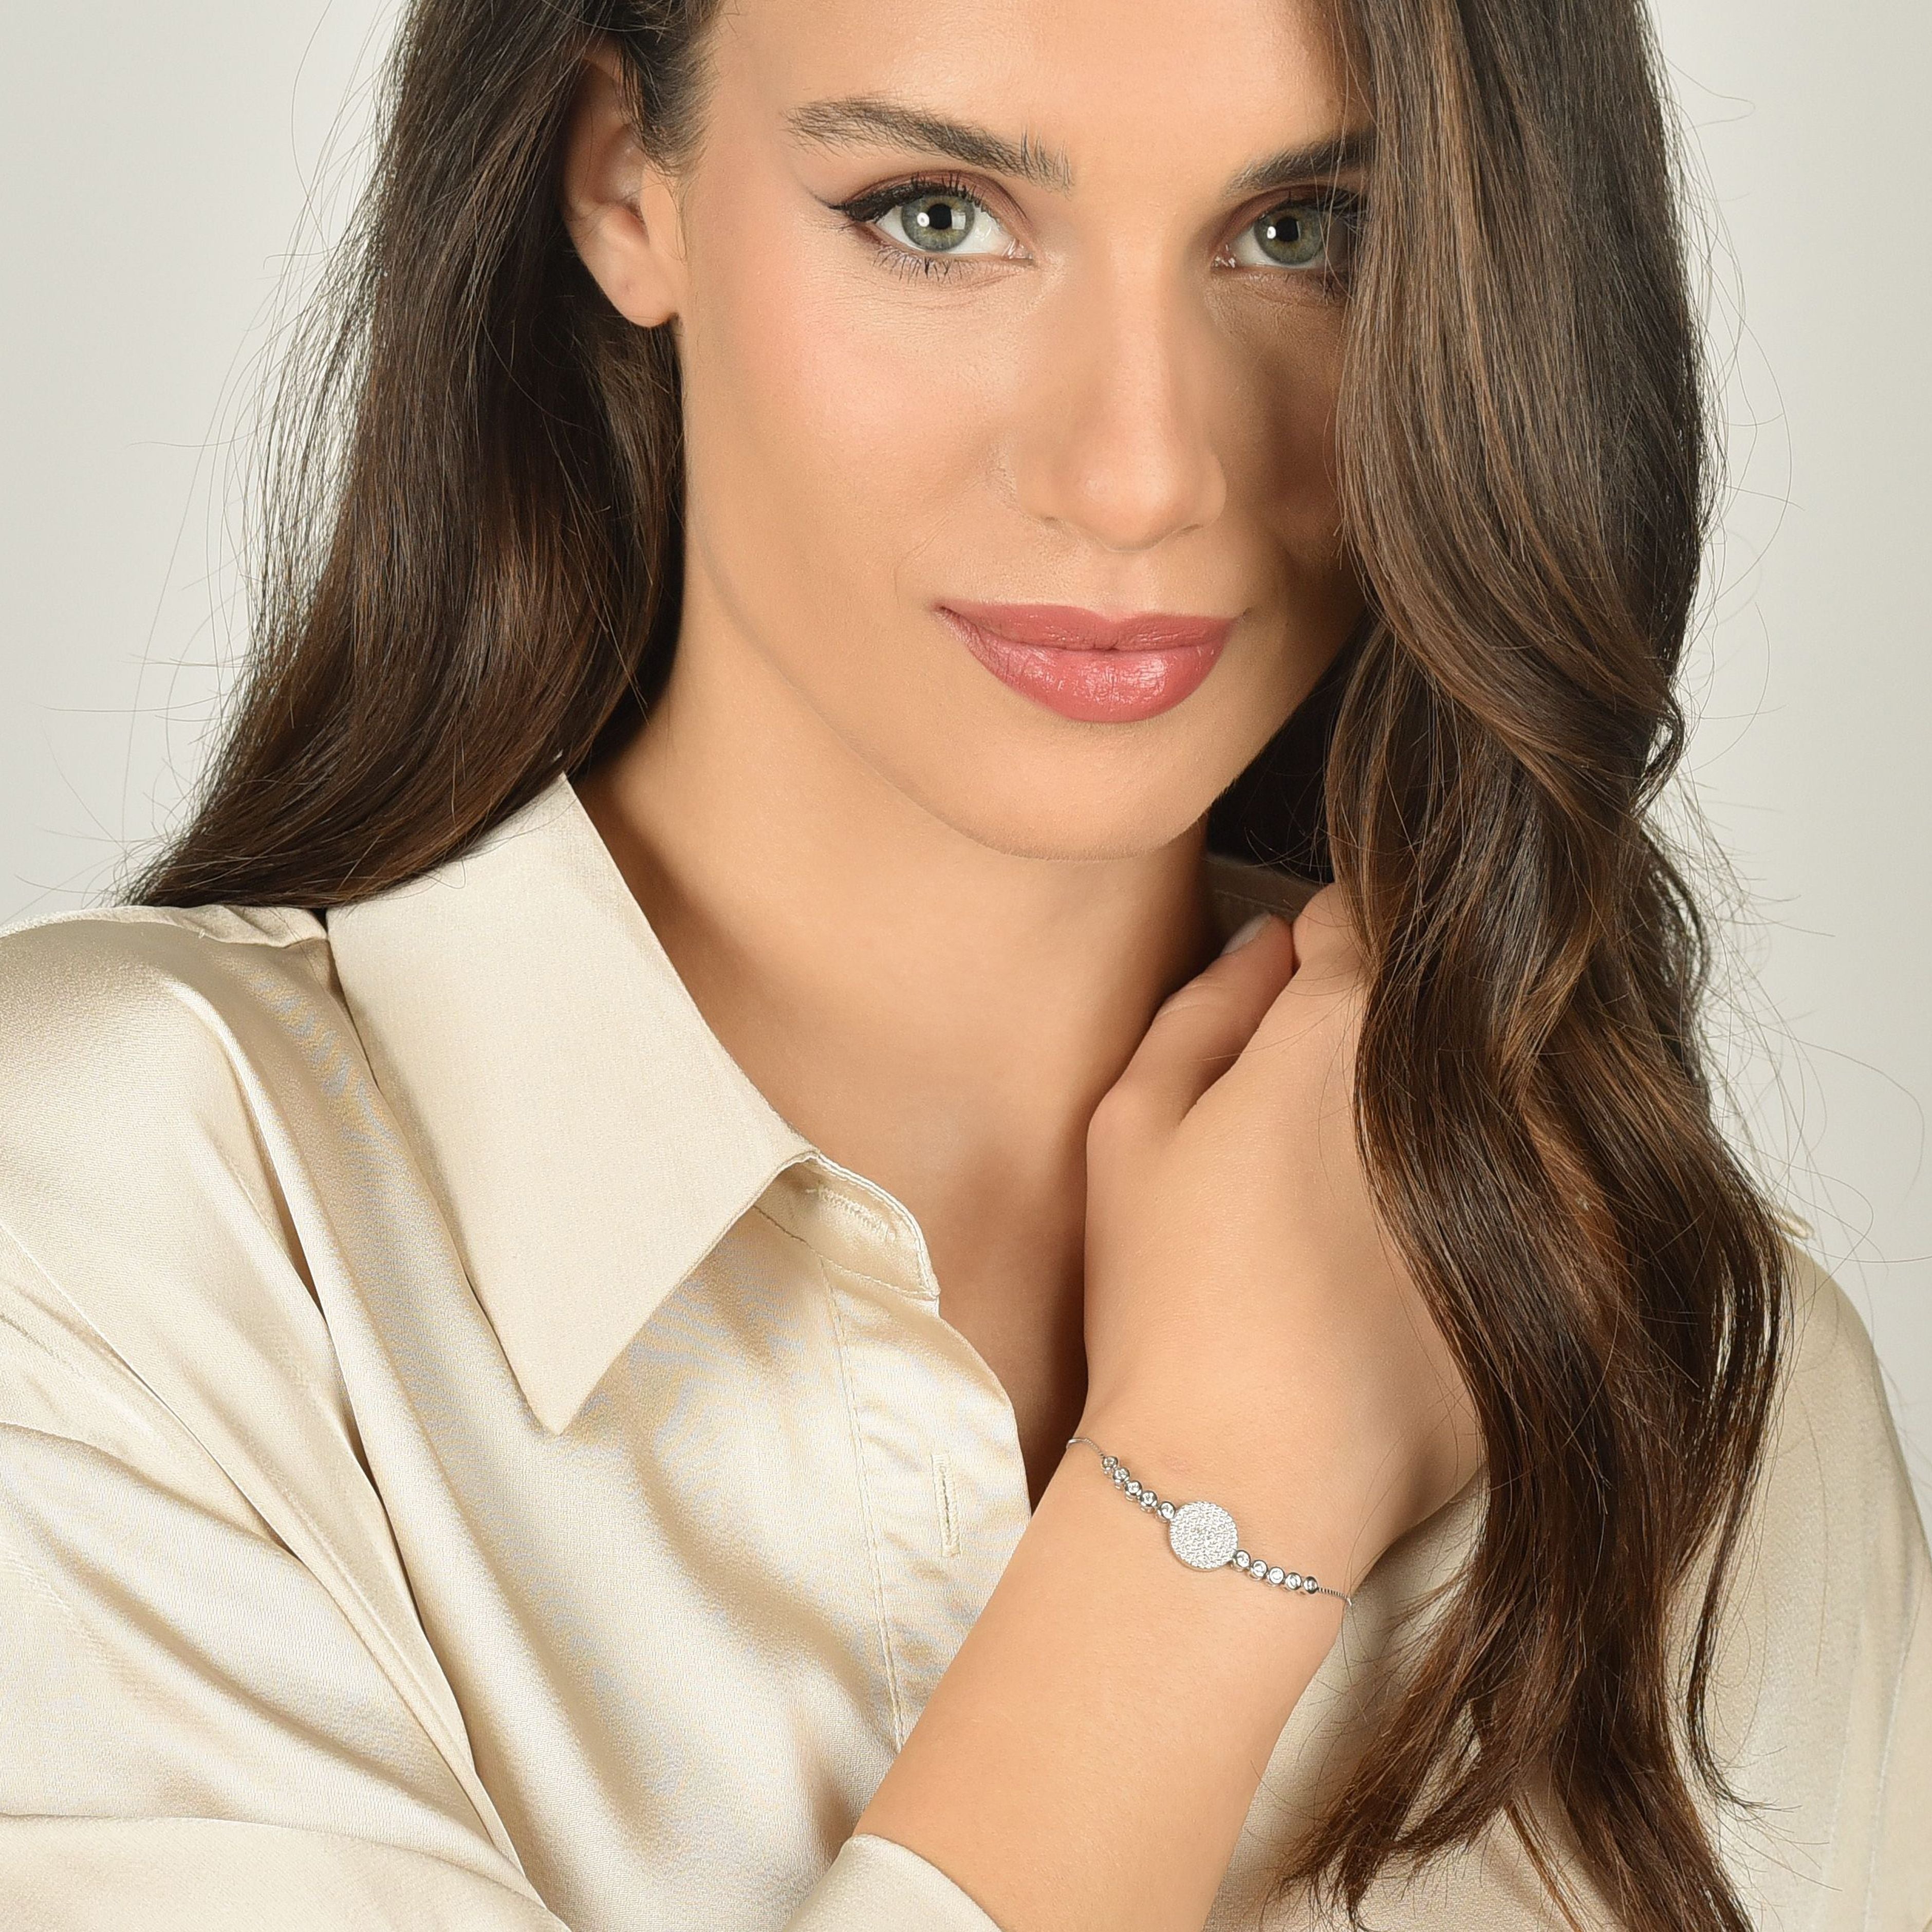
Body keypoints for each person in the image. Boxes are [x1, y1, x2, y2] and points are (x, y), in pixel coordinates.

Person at [1, 0, 1925, 1927]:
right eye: (934, 216)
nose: (1139, 472)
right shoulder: (115, 1228)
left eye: (1306, 233)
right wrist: (1219, 1495)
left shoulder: (1701, 1394)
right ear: (622, 182)